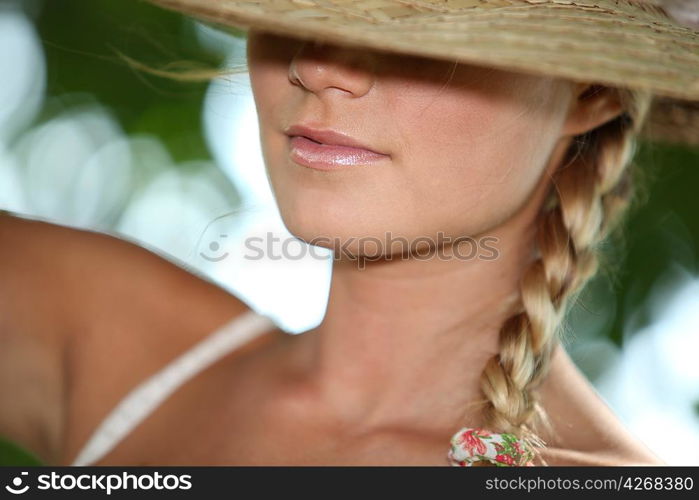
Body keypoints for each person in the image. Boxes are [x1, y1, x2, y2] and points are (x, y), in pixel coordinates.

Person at [1, 0, 698, 466]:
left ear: (592, 88)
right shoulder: (106, 337)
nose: (319, 65)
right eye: (299, 3)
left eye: (419, 21)